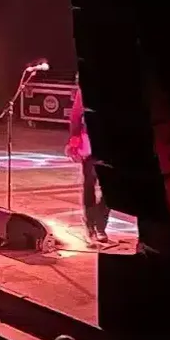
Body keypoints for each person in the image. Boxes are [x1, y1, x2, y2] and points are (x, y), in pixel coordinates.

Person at [65, 82, 108, 243]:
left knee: (109, 185)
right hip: (90, 141)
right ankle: (90, 224)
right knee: (90, 182)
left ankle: (101, 225)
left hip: (111, 142)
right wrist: (74, 140)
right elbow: (76, 116)